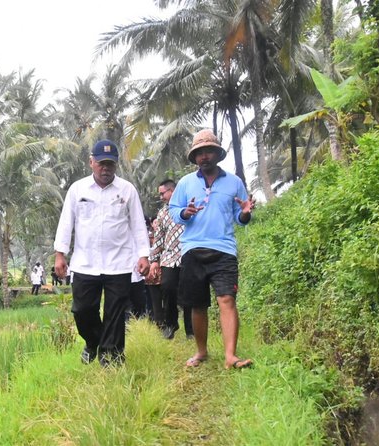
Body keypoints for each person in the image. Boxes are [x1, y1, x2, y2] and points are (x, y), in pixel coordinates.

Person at [54, 139, 150, 367]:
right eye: (101, 164)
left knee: (115, 314)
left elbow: (138, 224)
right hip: (85, 263)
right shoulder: (78, 189)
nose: (106, 169)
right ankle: (93, 341)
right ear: (91, 163)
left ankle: (112, 359)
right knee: (82, 310)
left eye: (111, 164)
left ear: (116, 165)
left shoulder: (127, 190)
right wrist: (60, 254)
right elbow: (66, 222)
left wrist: (144, 255)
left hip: (119, 262)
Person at [169, 129, 255, 369]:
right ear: (195, 157)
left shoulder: (234, 182)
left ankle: (230, 356)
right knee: (197, 304)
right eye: (199, 153)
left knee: (227, 299)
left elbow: (241, 216)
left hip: (224, 249)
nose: (204, 156)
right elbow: (174, 210)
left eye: (209, 151)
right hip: (193, 249)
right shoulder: (186, 183)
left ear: (217, 154)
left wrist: (246, 214)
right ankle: (201, 351)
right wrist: (185, 212)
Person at [148, 179, 194, 340]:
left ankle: (191, 330)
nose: (161, 197)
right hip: (169, 257)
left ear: (173, 191)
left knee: (189, 292)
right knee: (167, 287)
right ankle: (171, 324)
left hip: (189, 255)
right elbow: (159, 237)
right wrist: (154, 260)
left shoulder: (189, 207)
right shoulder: (162, 213)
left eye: (163, 193)